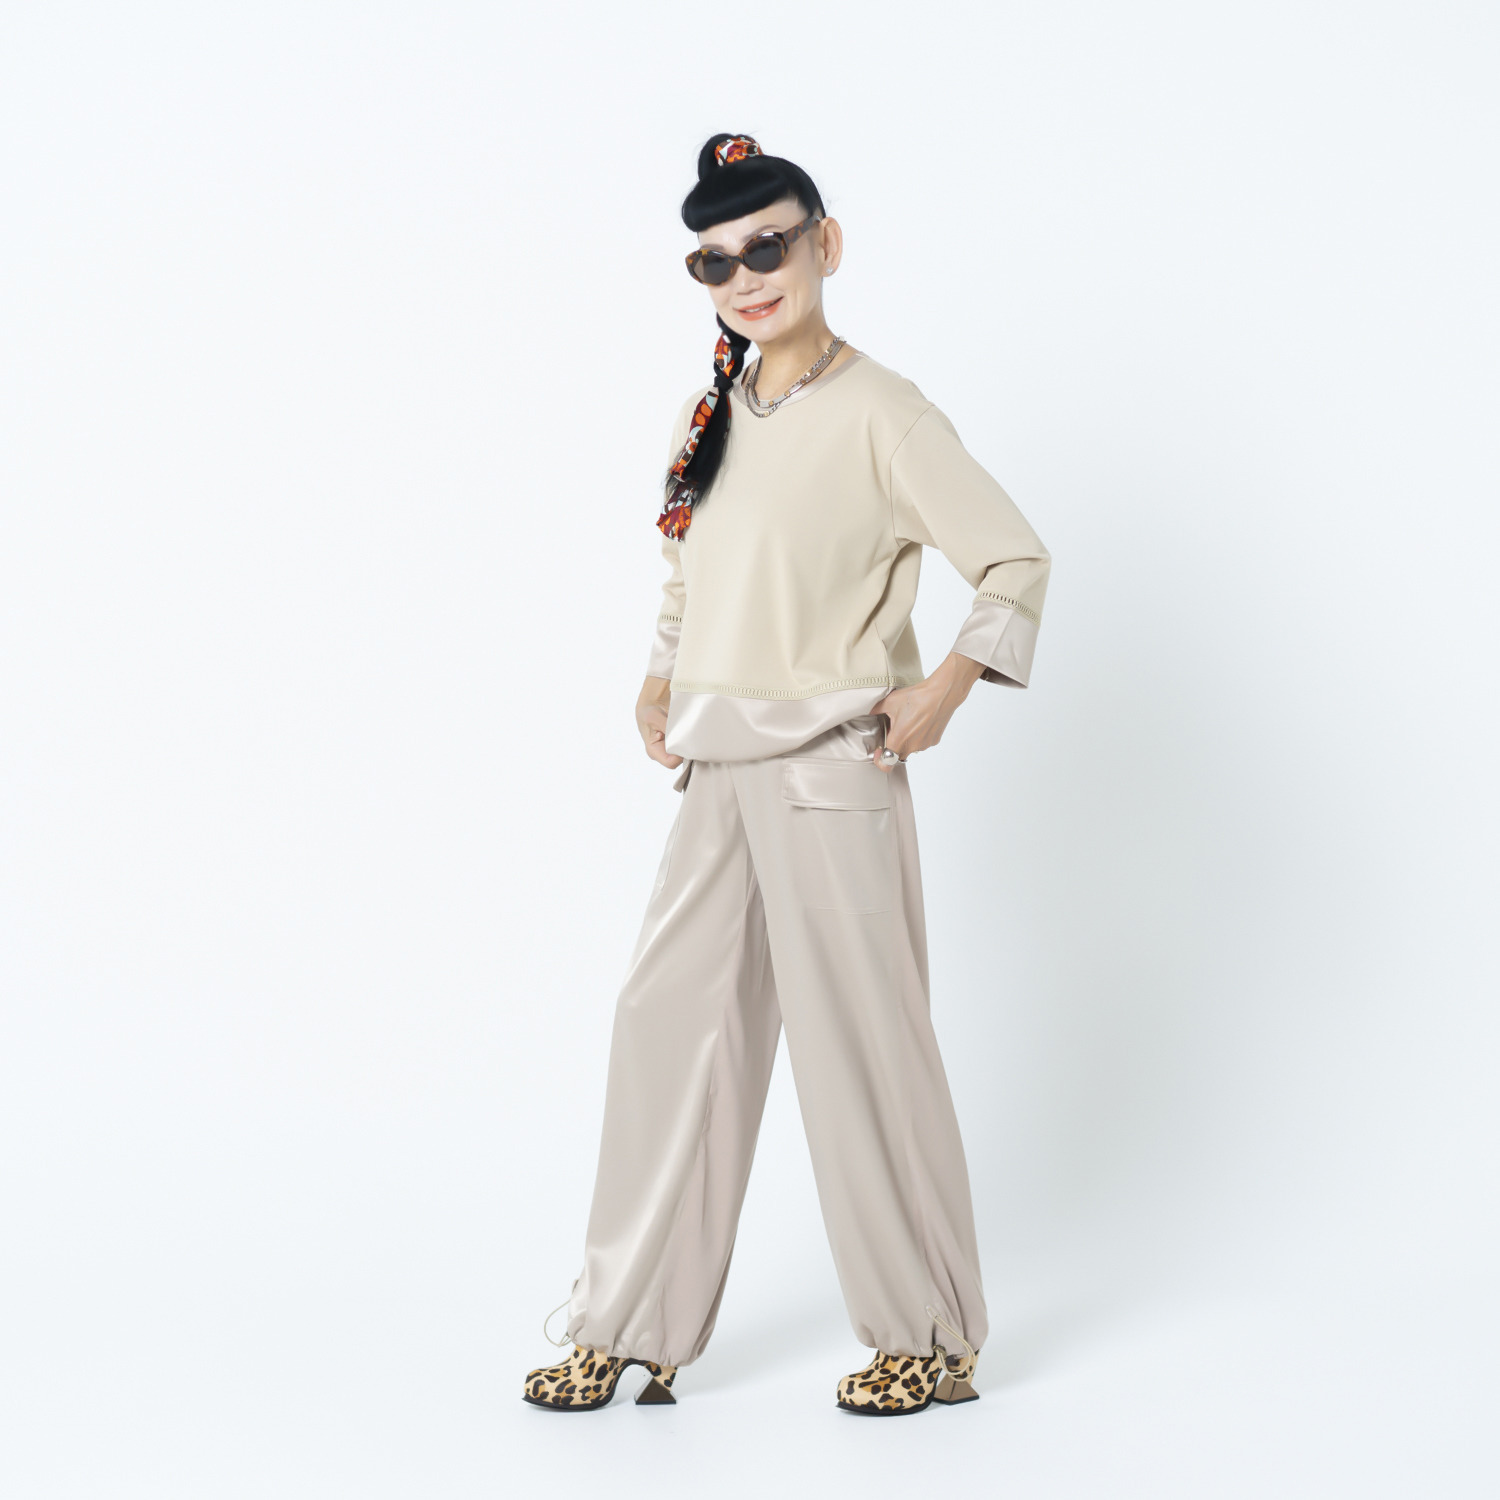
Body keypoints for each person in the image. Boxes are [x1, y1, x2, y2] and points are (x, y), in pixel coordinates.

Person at [522, 133, 1051, 1416]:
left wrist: (943, 690)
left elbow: (1014, 560)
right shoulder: (710, 413)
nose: (746, 276)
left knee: (864, 1048)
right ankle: (626, 1325)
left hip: (831, 770)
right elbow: (688, 574)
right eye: (715, 261)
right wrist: (659, 678)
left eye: (768, 245)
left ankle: (928, 1334)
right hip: (717, 771)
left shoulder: (886, 415)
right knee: (669, 1032)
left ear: (826, 243)